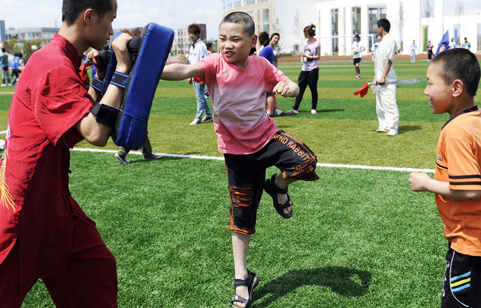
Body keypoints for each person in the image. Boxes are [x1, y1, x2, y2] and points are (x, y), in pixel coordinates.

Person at [161, 11, 319, 308]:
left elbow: (291, 86)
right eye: (222, 39)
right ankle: (241, 279)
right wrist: (148, 66)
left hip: (267, 139)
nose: (227, 45)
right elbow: (182, 71)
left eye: (235, 39)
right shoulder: (212, 64)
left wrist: (290, 88)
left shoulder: (261, 65)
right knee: (242, 219)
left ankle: (277, 186)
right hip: (236, 155)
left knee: (306, 161)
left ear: (251, 41)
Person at [0, 0, 132, 306]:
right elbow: (95, 132)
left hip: (51, 201)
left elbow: (77, 113)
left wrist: (100, 78)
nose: (112, 29)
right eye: (110, 19)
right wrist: (122, 70)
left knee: (95, 270)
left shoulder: (55, 58)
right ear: (89, 17)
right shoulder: (54, 65)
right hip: (24, 210)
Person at [409, 48, 481, 307]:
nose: (426, 90)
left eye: (430, 83)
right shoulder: (479, 117)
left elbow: (471, 189)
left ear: (456, 87)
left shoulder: (457, 130)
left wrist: (426, 183)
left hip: (472, 243)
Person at [286, 24, 321, 115]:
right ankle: (295, 108)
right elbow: (304, 53)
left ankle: (313, 108)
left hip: (313, 69)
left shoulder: (317, 43)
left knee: (313, 89)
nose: (303, 34)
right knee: (300, 88)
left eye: (304, 32)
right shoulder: (305, 43)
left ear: (307, 33)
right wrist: (301, 54)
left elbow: (318, 56)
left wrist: (306, 55)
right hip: (304, 69)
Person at [373, 18, 399, 136]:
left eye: (377, 28)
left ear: (381, 28)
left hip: (387, 79)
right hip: (378, 78)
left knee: (389, 102)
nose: (377, 30)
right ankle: (383, 125)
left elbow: (389, 60)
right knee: (380, 104)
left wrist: (383, 76)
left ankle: (393, 127)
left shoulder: (390, 40)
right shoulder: (382, 41)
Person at [186, 23, 212, 125]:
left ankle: (198, 117)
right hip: (193, 73)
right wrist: (189, 76)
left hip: (199, 74)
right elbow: (190, 61)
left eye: (193, 33)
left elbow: (204, 61)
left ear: (197, 34)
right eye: (190, 33)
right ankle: (209, 115)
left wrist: (203, 77)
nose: (191, 35)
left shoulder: (201, 46)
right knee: (200, 96)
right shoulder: (192, 46)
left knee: (200, 97)